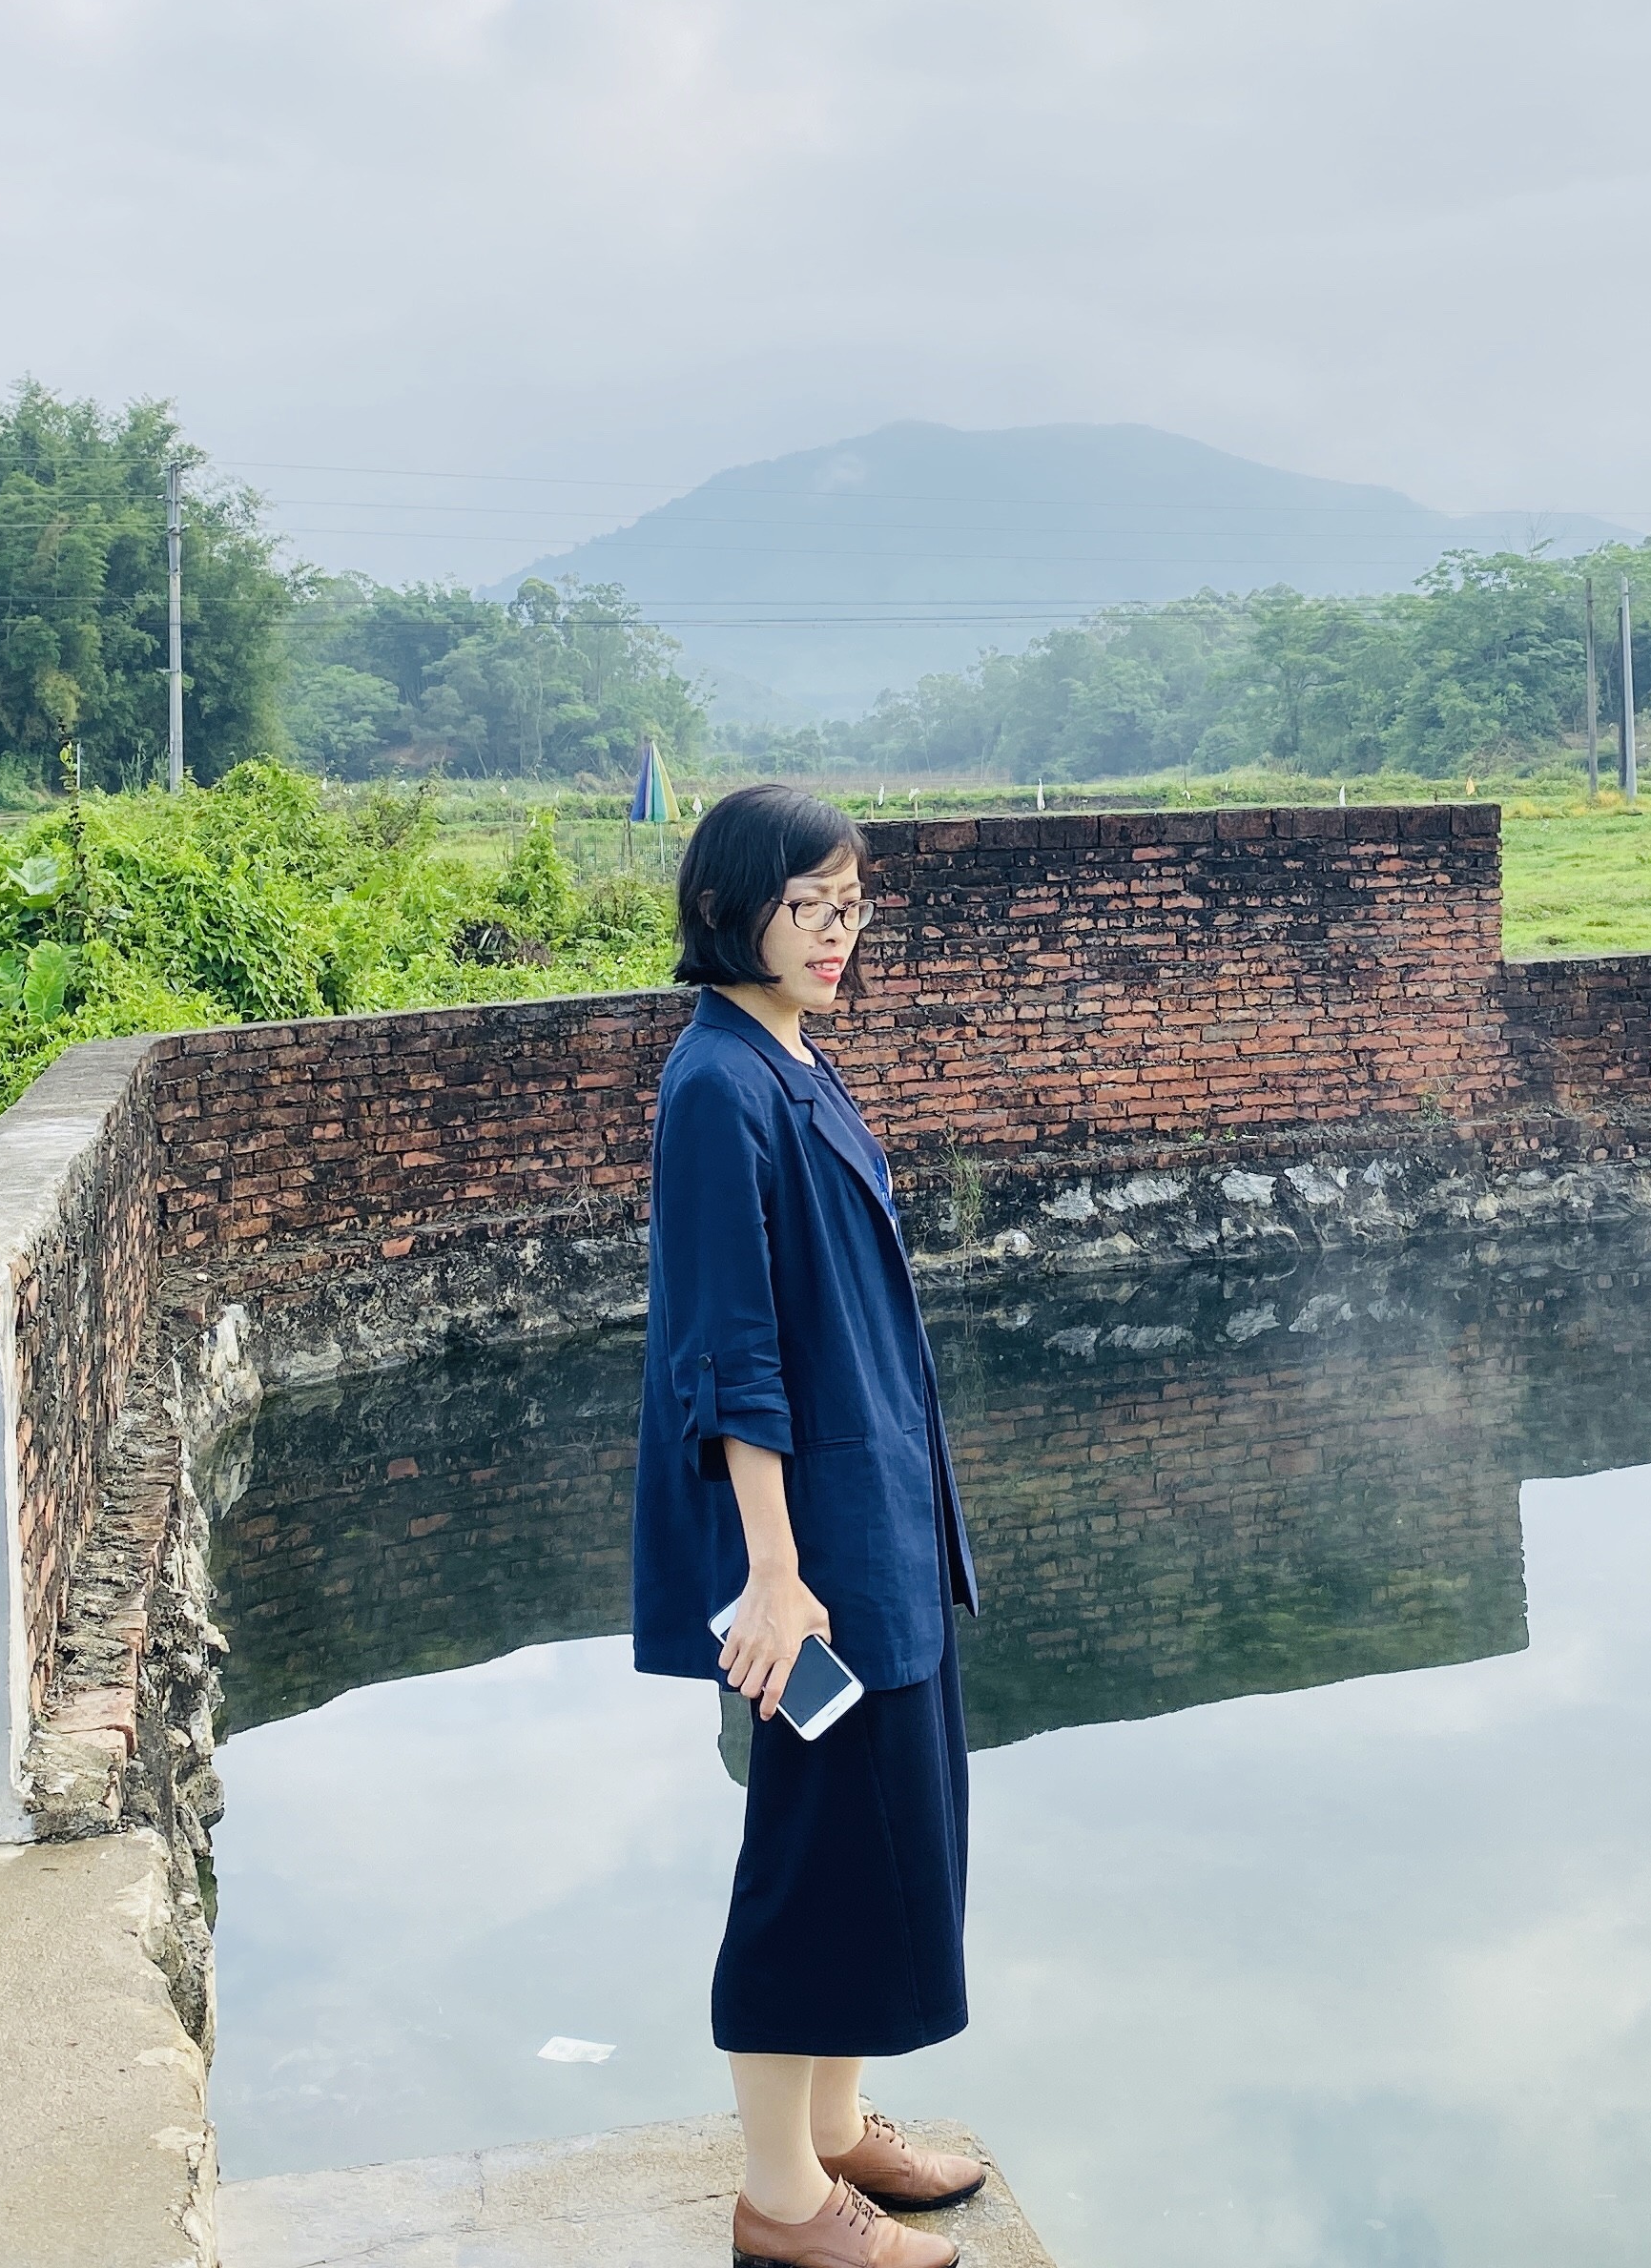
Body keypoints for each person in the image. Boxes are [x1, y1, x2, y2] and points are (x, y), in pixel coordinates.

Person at [632, 783, 991, 2268]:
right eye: (810, 907)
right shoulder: (716, 1082)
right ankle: (783, 2200)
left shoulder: (792, 1055)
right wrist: (775, 1576)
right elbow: (731, 1353)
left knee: (890, 1833)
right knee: (810, 1852)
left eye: (852, 906)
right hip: (813, 1544)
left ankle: (838, 2121)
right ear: (733, 908)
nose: (838, 934)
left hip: (873, 1510)